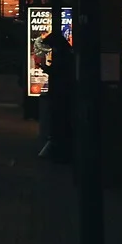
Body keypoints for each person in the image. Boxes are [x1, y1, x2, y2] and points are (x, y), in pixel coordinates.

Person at [40, 32, 73, 162]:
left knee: (59, 118)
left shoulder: (62, 55)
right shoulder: (67, 52)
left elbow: (57, 71)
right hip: (64, 92)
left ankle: (59, 148)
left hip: (60, 93)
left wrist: (46, 68)